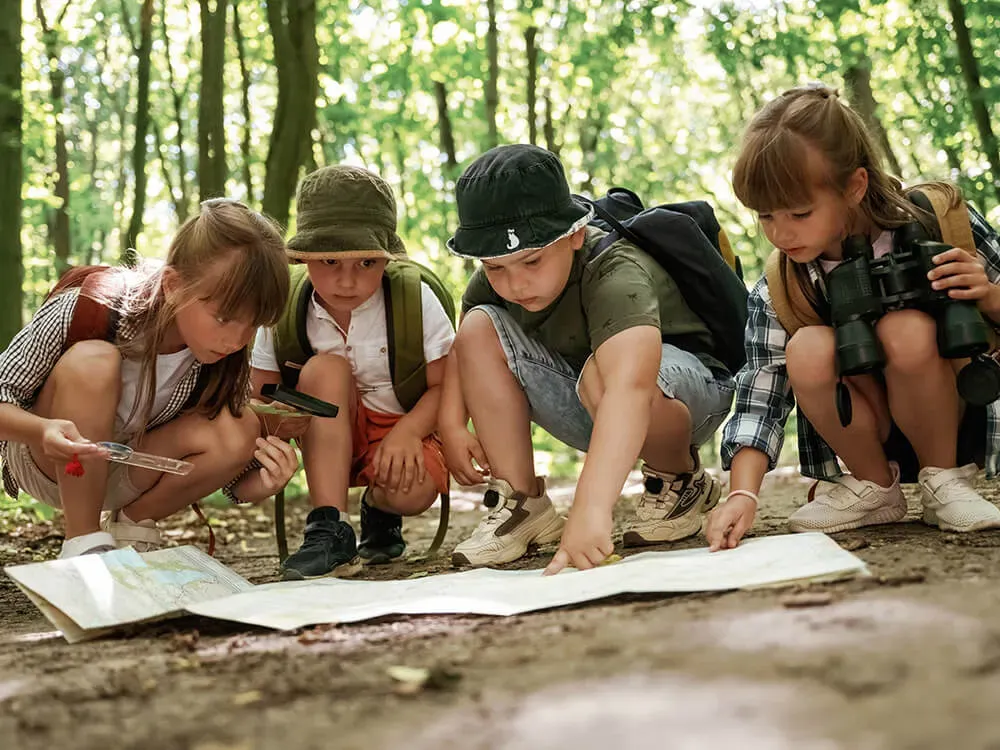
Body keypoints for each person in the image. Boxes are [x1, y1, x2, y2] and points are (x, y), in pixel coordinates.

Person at [707, 84, 1000, 552]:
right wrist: (742, 493)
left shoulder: (939, 223)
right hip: (865, 422)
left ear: (855, 186)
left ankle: (944, 481)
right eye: (766, 216)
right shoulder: (786, 281)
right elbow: (762, 388)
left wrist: (987, 296)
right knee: (806, 348)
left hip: (954, 407)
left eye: (799, 213)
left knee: (905, 330)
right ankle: (874, 486)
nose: (781, 233)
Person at [439, 144, 735, 573]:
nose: (515, 283)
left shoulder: (615, 268)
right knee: (479, 325)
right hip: (591, 401)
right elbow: (464, 347)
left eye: (532, 260)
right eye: (495, 267)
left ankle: (679, 479)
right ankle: (524, 505)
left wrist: (590, 509)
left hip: (684, 396)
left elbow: (629, 387)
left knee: (604, 375)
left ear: (574, 234)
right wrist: (451, 422)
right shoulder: (496, 283)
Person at [0, 199, 296, 558]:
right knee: (94, 361)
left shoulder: (220, 357)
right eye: (224, 318)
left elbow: (233, 477)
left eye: (253, 325)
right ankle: (83, 543)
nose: (236, 340)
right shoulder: (89, 307)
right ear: (173, 285)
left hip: (131, 472)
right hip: (51, 462)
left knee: (242, 426)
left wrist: (264, 482)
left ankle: (131, 525)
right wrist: (40, 431)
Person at [251, 166, 455, 580]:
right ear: (304, 257)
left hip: (399, 427)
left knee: (413, 490)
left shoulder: (413, 299)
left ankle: (380, 509)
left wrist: (410, 432)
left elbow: (447, 387)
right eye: (329, 261)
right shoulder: (283, 308)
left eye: (366, 262)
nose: (348, 280)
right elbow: (259, 396)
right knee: (326, 368)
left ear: (386, 256)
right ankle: (330, 526)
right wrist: (277, 426)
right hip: (322, 431)